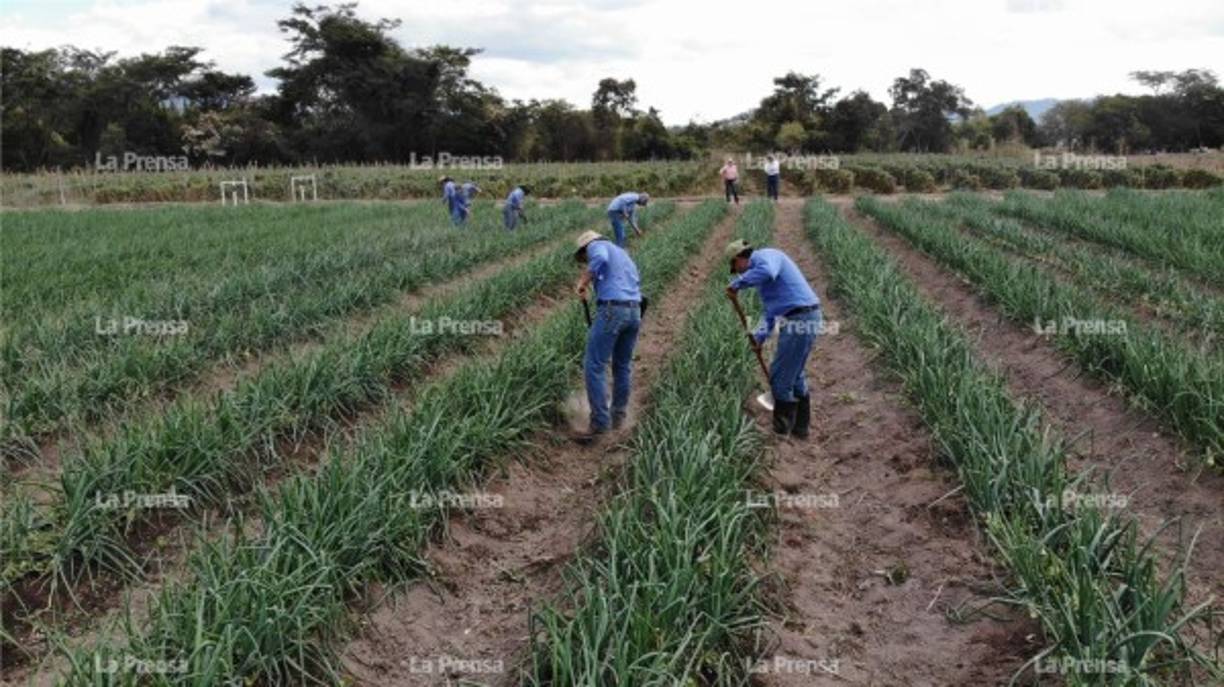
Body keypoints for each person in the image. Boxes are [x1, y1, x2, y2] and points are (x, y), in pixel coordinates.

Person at [725, 239, 821, 438]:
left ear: (739, 259)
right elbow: (771, 313)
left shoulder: (766, 257)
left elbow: (768, 271)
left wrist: (738, 285)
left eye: (736, 268)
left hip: (800, 317)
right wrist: (758, 338)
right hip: (800, 317)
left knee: (780, 376)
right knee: (794, 374)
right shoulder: (765, 281)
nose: (740, 273)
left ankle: (781, 430)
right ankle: (800, 428)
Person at [573, 230, 642, 443]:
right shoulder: (621, 252)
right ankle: (618, 417)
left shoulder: (596, 246)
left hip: (613, 310)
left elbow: (599, 259)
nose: (586, 259)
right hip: (634, 310)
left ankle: (600, 423)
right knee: (622, 366)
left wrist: (583, 281)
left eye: (584, 257)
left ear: (586, 247)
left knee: (594, 364)